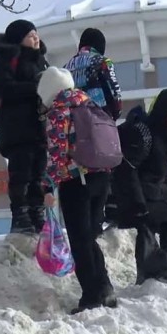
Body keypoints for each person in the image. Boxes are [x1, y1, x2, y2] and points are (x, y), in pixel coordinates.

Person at [37, 67, 117, 314]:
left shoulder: (59, 112)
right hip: (101, 177)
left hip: (76, 181)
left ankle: (91, 296)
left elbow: (57, 154)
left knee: (80, 240)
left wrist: (47, 186)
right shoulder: (90, 105)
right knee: (89, 237)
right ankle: (105, 287)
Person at [112, 88, 167, 285]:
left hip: (155, 190)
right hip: (136, 190)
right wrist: (137, 203)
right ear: (163, 113)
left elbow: (166, 170)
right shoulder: (143, 134)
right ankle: (154, 272)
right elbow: (128, 169)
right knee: (148, 225)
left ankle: (163, 268)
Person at [0, 19, 49, 234]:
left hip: (39, 127)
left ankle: (37, 213)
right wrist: (36, 87)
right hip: (17, 129)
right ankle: (20, 215)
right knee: (21, 173)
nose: (36, 38)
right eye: (30, 35)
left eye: (36, 33)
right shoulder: (7, 58)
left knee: (39, 174)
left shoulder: (41, 61)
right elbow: (6, 89)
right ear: (19, 39)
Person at [63, 28, 122, 237]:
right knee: (103, 170)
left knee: (82, 176)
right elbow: (114, 94)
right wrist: (113, 115)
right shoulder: (102, 62)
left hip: (74, 128)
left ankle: (87, 225)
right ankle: (102, 219)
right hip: (99, 122)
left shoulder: (66, 67)